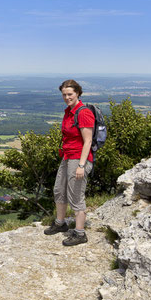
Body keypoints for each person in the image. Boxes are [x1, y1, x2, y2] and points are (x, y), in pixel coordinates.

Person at [44, 79, 94, 246]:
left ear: (78, 93)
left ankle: (80, 233)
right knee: (59, 189)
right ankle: (60, 223)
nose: (66, 97)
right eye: (64, 94)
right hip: (67, 156)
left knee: (76, 195)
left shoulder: (83, 112)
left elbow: (87, 141)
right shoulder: (69, 111)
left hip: (78, 158)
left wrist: (81, 165)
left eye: (70, 94)